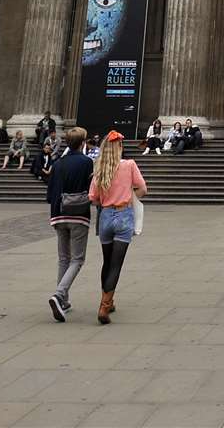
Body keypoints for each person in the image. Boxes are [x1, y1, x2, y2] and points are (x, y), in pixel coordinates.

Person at [91, 130, 146, 324]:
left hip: (105, 216)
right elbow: (143, 189)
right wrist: (128, 197)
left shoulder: (100, 168)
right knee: (116, 265)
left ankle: (108, 301)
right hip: (123, 215)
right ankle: (104, 307)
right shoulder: (129, 165)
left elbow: (93, 197)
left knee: (106, 262)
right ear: (120, 147)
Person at [46, 128, 94, 322]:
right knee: (77, 260)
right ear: (82, 142)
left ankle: (63, 302)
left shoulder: (58, 164)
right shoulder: (86, 162)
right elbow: (92, 188)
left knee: (63, 258)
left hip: (58, 214)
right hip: (78, 214)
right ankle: (59, 294)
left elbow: (49, 193)